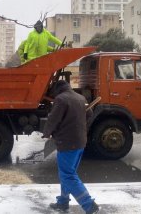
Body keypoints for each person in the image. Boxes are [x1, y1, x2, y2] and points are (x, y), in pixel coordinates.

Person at [42, 80, 99, 214]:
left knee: (68, 175)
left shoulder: (61, 99)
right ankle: (63, 202)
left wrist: (47, 132)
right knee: (66, 174)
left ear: (58, 89)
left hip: (67, 142)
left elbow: (53, 118)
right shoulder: (80, 98)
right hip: (80, 142)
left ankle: (89, 204)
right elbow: (89, 114)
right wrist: (77, 123)